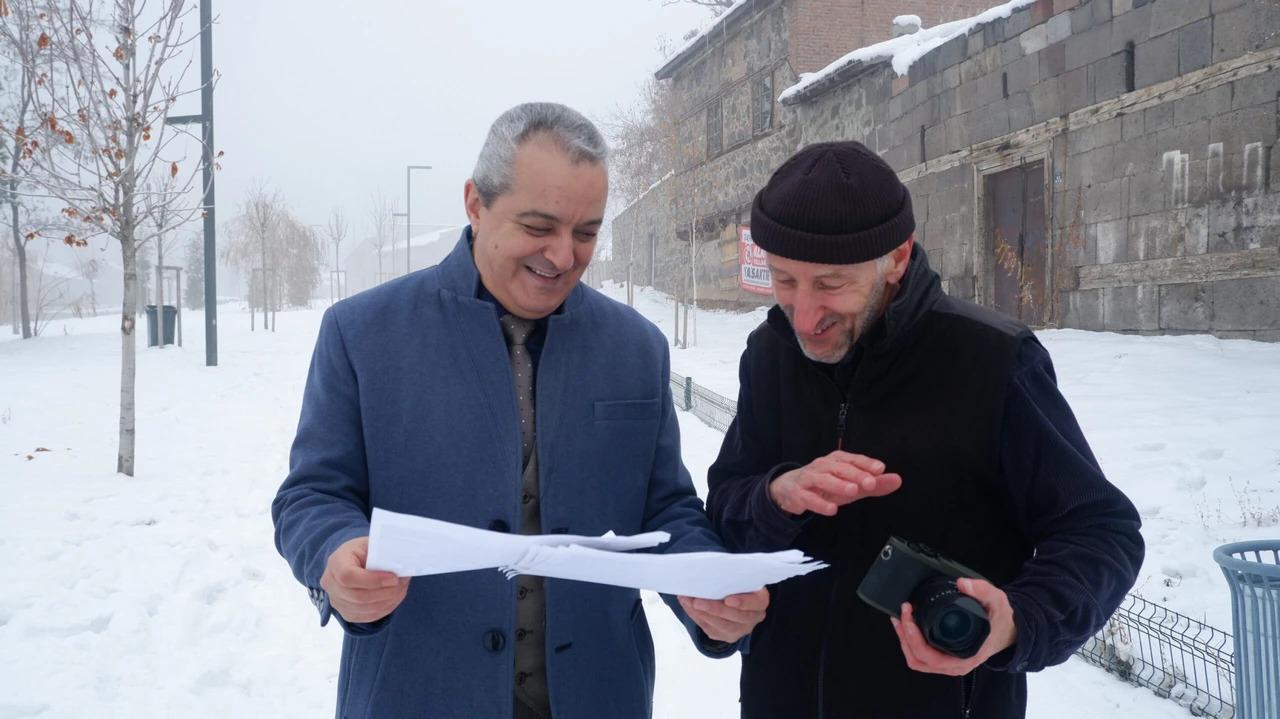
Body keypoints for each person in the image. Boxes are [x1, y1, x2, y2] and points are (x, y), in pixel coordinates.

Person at [272, 102, 768, 719]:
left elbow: (663, 505)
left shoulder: (637, 347)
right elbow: (311, 495)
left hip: (600, 695)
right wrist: (335, 552)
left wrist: (705, 581)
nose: (563, 255)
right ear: (476, 203)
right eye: (540, 226)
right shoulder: (361, 332)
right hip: (416, 691)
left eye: (586, 232)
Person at [705, 141, 1144, 719]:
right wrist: (775, 495)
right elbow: (727, 504)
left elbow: (1101, 529)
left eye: (830, 284)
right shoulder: (768, 353)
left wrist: (1020, 619)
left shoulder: (994, 359)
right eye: (785, 281)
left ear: (897, 256)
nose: (804, 317)